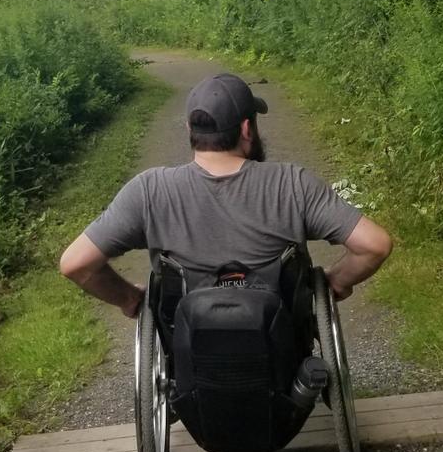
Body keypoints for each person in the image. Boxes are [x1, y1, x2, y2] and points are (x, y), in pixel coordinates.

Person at [59, 72, 392, 314]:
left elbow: (76, 264)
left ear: (190, 129)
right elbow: (374, 246)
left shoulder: (148, 190)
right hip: (282, 359)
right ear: (247, 128)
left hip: (193, 362)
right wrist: (335, 281)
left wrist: (130, 299)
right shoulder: (292, 183)